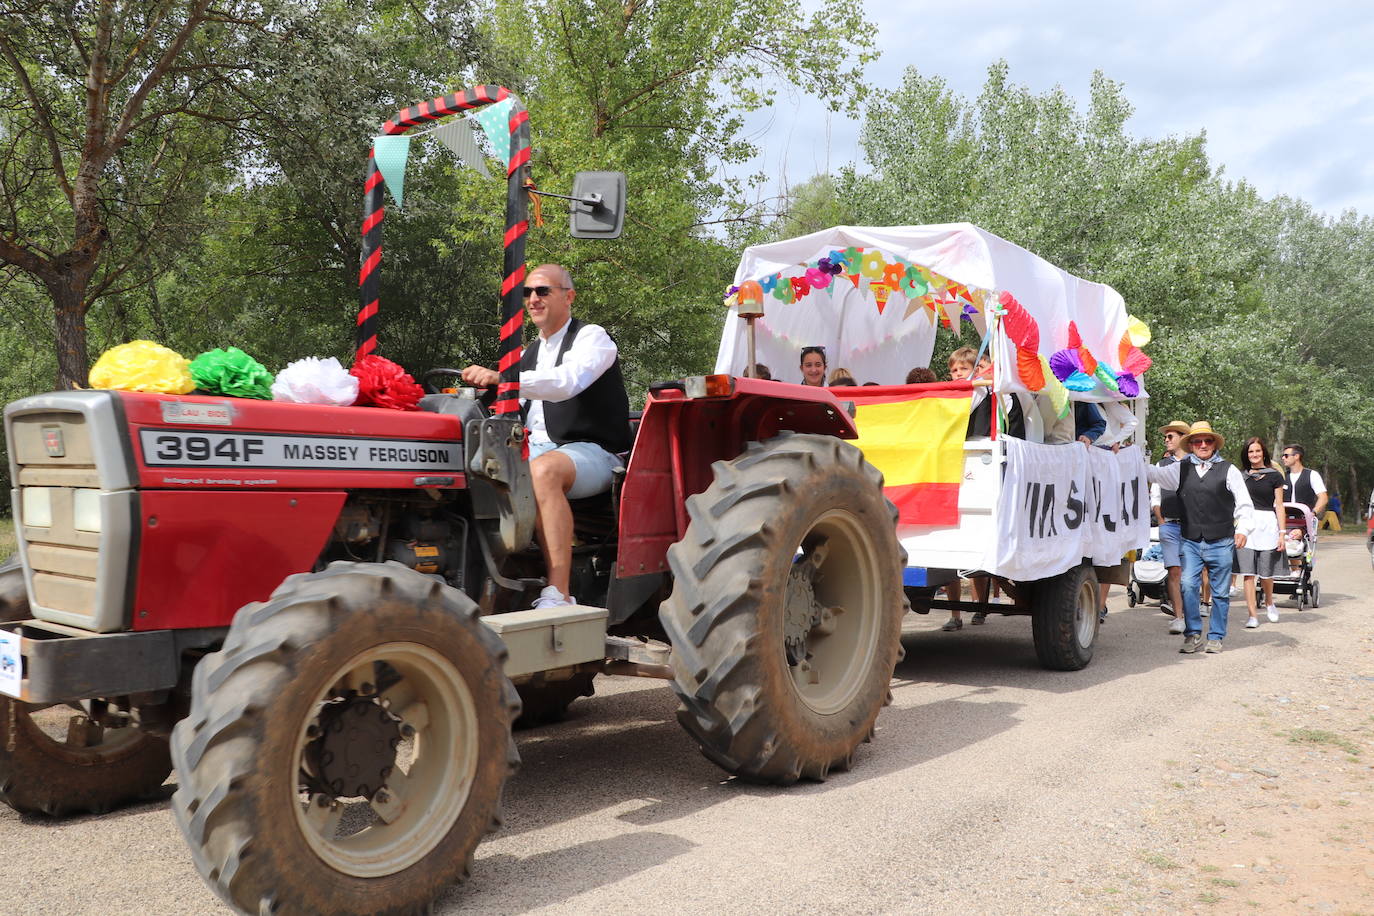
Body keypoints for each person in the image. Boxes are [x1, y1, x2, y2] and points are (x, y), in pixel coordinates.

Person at [461, 264, 631, 610]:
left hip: (592, 450)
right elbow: (510, 405)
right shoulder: (527, 355)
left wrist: (503, 379)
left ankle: (559, 593)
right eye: (527, 293)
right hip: (536, 447)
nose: (533, 299)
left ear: (569, 296)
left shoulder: (592, 338)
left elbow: (567, 382)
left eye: (542, 291)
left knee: (542, 472)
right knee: (468, 467)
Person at [1150, 421, 1254, 654]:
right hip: (1191, 540)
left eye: (1208, 441)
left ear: (1214, 443)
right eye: (1198, 441)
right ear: (1191, 445)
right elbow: (1154, 474)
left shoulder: (1229, 470)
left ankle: (1216, 636)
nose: (1203, 445)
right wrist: (1124, 456)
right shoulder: (1180, 468)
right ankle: (1193, 634)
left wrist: (1243, 530)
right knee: (1187, 585)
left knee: (1219, 592)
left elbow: (1244, 504)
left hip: (1221, 540)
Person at [941, 347, 978, 631]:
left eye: (962, 370)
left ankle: (978, 606)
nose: (957, 375)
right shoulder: (950, 398)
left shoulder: (982, 395)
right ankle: (955, 614)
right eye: (953, 371)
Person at [1235, 437, 1285, 628]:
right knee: (1248, 573)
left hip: (1267, 524)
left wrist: (1282, 533)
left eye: (1257, 451)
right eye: (1250, 452)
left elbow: (1279, 505)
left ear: (1263, 452)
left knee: (1265, 573)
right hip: (1246, 524)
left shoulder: (1275, 476)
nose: (1254, 455)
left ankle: (1270, 602)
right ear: (1246, 455)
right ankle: (1252, 615)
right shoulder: (1240, 476)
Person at [1150, 420, 1191, 635]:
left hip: (1192, 527)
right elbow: (1155, 496)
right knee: (1174, 571)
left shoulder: (1195, 463)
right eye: (1165, 436)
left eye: (1170, 436)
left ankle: (1192, 611)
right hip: (1169, 525)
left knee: (1190, 573)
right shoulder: (1161, 465)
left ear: (1183, 438)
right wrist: (1161, 520)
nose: (1166, 440)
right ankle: (1179, 617)